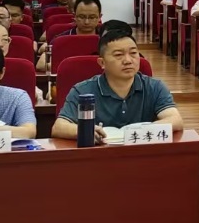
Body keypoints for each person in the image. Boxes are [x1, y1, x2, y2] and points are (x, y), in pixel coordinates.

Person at [52, 29, 183, 143]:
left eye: (133, 53)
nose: (128, 60)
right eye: (119, 55)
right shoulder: (82, 90)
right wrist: (85, 131)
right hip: (98, 155)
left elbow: (175, 119)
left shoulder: (155, 87)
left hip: (141, 154)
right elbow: (59, 127)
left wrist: (141, 132)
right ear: (102, 63)